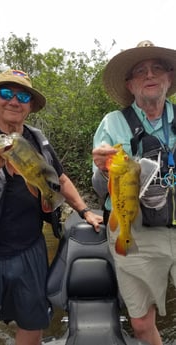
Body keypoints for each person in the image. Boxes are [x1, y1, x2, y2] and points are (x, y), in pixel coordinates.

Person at [0, 69, 103, 345]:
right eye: (5, 93)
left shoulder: (39, 141)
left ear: (31, 106)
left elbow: (59, 179)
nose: (14, 101)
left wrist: (84, 211)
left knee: (32, 324)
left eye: (22, 96)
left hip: (29, 249)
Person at [92, 40, 176, 345]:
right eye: (140, 71)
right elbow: (99, 189)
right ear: (130, 84)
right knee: (141, 323)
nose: (149, 74)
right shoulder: (112, 123)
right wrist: (103, 170)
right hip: (134, 228)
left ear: (169, 77)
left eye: (157, 68)